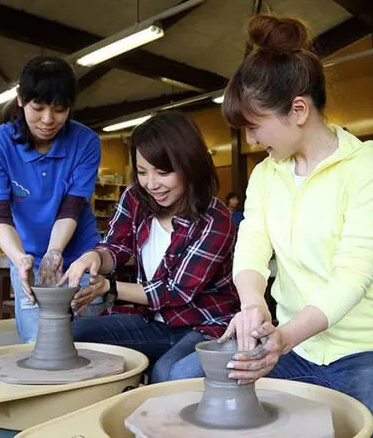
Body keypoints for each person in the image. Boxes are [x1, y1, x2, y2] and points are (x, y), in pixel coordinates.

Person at [215, 15, 373, 437]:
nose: (252, 140)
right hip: (297, 350)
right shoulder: (266, 174)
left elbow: (354, 272)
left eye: (255, 126)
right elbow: (253, 242)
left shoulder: (366, 167)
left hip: (371, 350)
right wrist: (252, 302)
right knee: (209, 394)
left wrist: (283, 337)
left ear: (298, 110)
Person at [59, 111, 240, 383]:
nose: (152, 184)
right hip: (153, 320)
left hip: (205, 325)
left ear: (190, 165)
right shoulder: (135, 196)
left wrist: (111, 287)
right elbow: (115, 248)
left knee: (168, 373)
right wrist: (95, 256)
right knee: (71, 335)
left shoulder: (216, 218)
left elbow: (176, 291)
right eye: (142, 172)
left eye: (163, 172)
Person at [0, 56, 101, 343]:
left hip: (80, 255)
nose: (48, 120)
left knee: (90, 344)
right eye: (38, 107)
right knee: (37, 343)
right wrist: (21, 260)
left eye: (59, 110)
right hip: (26, 257)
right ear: (21, 99)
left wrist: (54, 253)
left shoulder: (86, 142)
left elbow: (71, 208)